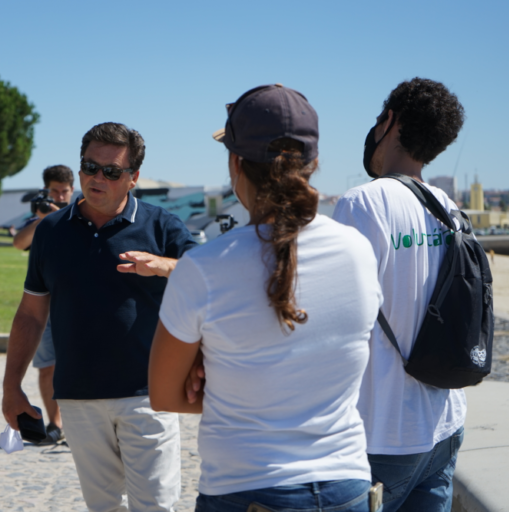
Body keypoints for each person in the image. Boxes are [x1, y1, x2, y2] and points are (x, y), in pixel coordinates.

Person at [149, 84, 383, 512]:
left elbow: (164, 395)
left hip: (245, 490)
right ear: (312, 163)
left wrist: (224, 379)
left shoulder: (202, 268)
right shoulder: (359, 252)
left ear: (236, 163)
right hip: (346, 488)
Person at [2, 122, 197, 512]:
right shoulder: (51, 231)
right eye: (90, 167)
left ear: (133, 178)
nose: (97, 178)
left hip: (148, 395)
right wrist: (11, 387)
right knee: (104, 508)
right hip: (77, 399)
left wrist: (162, 265)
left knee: (156, 507)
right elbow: (30, 313)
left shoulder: (162, 226)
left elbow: (208, 278)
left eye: (111, 171)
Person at [332, 78, 466, 512]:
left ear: (389, 121)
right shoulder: (450, 209)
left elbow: (338, 321)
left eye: (377, 119)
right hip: (445, 423)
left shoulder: (362, 203)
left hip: (381, 433)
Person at [11, 164, 76, 444]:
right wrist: (42, 219)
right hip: (44, 304)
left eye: (65, 192)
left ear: (73, 191)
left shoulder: (82, 214)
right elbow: (18, 242)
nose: (60, 197)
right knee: (47, 366)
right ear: (46, 190)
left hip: (76, 303)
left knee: (76, 364)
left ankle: (79, 423)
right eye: (55, 191)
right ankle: (55, 424)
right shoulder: (42, 219)